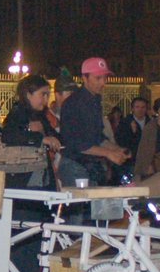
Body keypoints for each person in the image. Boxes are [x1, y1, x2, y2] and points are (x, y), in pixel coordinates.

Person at [56, 57, 130, 186]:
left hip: (89, 167)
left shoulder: (93, 101)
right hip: (75, 166)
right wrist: (109, 153)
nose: (103, 83)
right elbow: (76, 143)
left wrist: (117, 150)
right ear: (84, 78)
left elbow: (97, 137)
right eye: (98, 78)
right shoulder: (75, 103)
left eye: (104, 78)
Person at [1, 72, 62, 188]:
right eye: (42, 94)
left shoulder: (41, 115)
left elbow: (54, 137)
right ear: (29, 94)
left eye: (48, 95)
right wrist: (39, 138)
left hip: (40, 175)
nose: (46, 100)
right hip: (23, 177)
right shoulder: (18, 113)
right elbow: (8, 135)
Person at [115, 95, 158, 178]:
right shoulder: (125, 123)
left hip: (149, 161)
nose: (140, 110)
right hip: (131, 161)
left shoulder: (151, 123)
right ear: (132, 109)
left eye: (143, 107)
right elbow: (121, 141)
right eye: (137, 107)